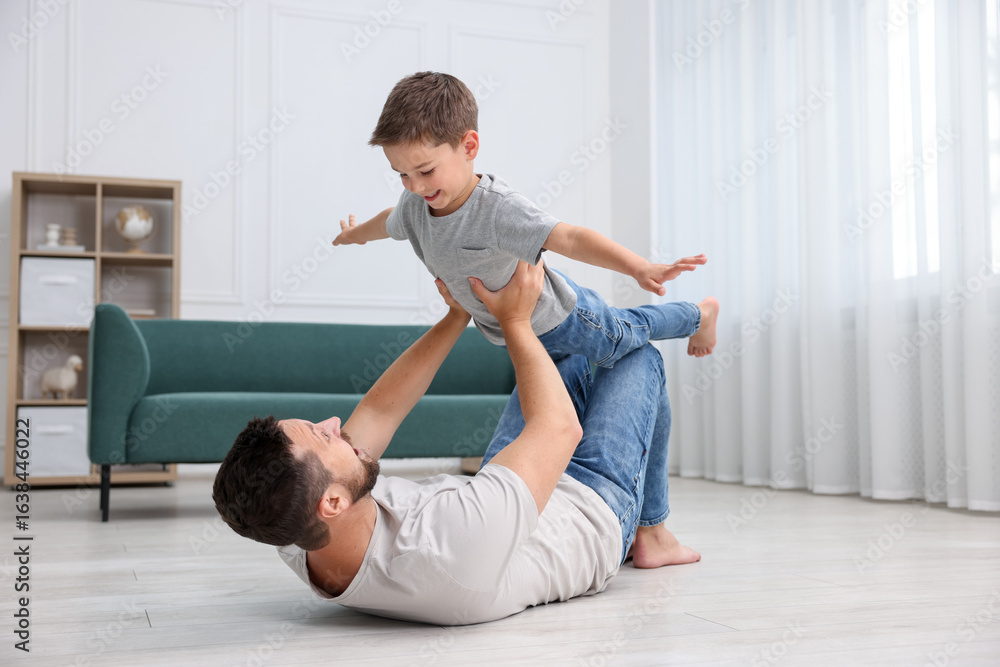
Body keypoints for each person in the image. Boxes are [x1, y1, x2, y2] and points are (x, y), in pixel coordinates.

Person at [213, 260, 700, 626]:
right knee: (635, 358)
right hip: (588, 510)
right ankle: (650, 531)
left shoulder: (295, 527)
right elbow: (559, 430)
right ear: (332, 501)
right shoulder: (447, 551)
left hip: (502, 490)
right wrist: (513, 323)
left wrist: (456, 315)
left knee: (565, 344)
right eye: (324, 436)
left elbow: (382, 409)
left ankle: (683, 315)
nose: (336, 423)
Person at [333, 71, 719, 365]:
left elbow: (570, 237)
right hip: (523, 338)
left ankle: (698, 314)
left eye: (425, 171)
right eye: (401, 174)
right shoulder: (415, 206)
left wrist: (638, 267)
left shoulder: (498, 209)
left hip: (564, 318)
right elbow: (389, 222)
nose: (414, 186)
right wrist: (356, 235)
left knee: (621, 333)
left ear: (468, 146)